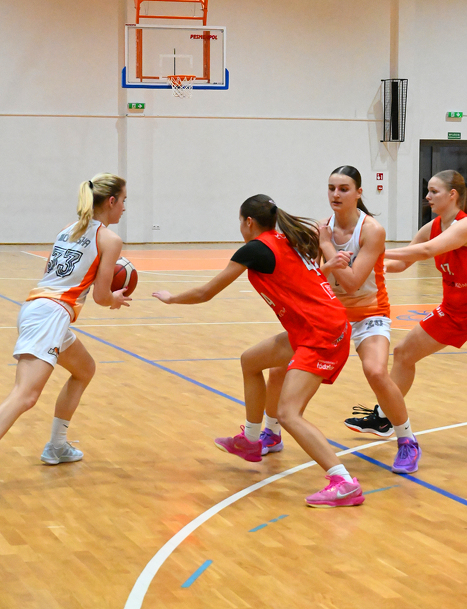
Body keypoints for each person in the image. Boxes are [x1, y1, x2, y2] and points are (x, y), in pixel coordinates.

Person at [154, 194, 365, 508]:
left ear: (249, 222)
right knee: (251, 361)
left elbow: (206, 292)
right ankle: (251, 441)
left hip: (321, 333)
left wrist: (172, 298)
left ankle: (343, 482)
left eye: (240, 222)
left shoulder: (255, 248)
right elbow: (304, 279)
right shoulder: (287, 239)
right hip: (315, 326)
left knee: (289, 413)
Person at [262, 166, 420, 475]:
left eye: (344, 189)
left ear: (359, 193)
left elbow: (352, 283)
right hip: (329, 316)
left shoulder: (371, 230)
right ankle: (271, 431)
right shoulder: (321, 228)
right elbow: (312, 278)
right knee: (280, 367)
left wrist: (326, 247)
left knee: (376, 371)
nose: (336, 194)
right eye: (332, 188)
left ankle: (407, 440)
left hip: (369, 313)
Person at [0, 174, 130, 465]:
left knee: (84, 370)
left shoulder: (67, 230)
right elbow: (101, 296)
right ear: (111, 201)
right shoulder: (110, 239)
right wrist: (115, 298)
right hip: (51, 315)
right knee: (24, 396)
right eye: (123, 200)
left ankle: (57, 446)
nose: (124, 207)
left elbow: (50, 272)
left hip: (38, 307)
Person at [370, 170, 467, 433]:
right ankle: (385, 417)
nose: (428, 196)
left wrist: (374, 249)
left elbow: (427, 250)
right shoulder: (432, 227)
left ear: (452, 194)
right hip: (453, 311)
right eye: (428, 191)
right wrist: (373, 266)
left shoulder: (464, 225)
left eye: (434, 191)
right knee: (404, 353)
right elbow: (403, 263)